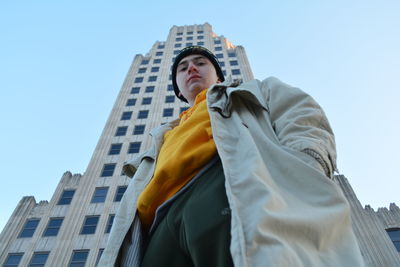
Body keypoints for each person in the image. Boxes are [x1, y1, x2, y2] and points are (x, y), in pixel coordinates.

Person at [99, 46, 364, 266]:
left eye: (200, 63)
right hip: (155, 225)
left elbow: (302, 117)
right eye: (183, 68)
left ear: (218, 75)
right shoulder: (164, 134)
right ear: (178, 90)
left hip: (220, 187)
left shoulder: (255, 90)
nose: (191, 68)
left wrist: (307, 165)